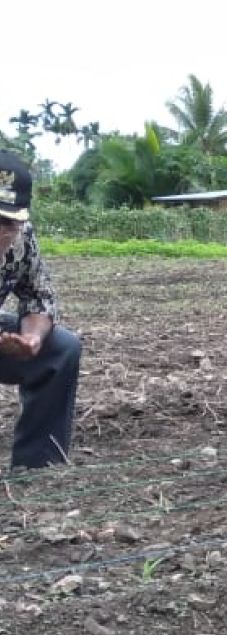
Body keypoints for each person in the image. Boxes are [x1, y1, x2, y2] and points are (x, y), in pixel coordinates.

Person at [0, 152, 82, 470]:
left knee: (61, 348)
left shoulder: (21, 239)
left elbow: (38, 295)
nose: (3, 232)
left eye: (10, 222)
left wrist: (31, 339)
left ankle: (37, 466)